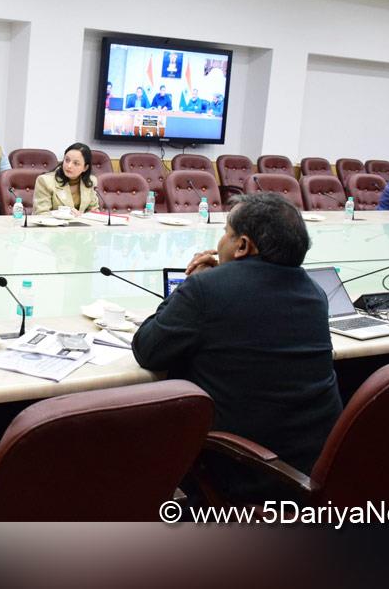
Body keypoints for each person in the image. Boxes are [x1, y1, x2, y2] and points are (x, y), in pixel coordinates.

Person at [132, 192, 342, 502]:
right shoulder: (314, 293)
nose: (220, 243)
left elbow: (148, 349)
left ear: (242, 245)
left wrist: (191, 286)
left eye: (226, 234)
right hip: (313, 468)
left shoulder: (207, 289)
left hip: (246, 473)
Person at [32, 142, 100, 215]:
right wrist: (66, 215)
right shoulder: (45, 181)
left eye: (76, 163)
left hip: (81, 225)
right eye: (67, 160)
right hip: (54, 226)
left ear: (85, 168)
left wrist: (83, 216)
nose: (69, 166)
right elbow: (40, 214)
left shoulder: (91, 181)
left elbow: (94, 211)